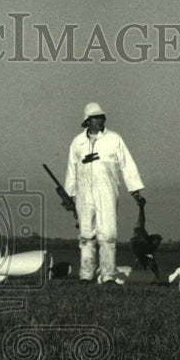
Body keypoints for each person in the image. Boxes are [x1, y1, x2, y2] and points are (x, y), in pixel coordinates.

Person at [63, 102, 145, 284]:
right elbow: (71, 170)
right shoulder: (77, 142)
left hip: (107, 193)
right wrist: (70, 195)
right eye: (96, 117)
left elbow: (127, 164)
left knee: (108, 234)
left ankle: (108, 275)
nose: (100, 120)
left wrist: (135, 189)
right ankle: (86, 275)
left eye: (102, 117)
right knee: (86, 236)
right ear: (87, 120)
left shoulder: (114, 139)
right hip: (83, 195)